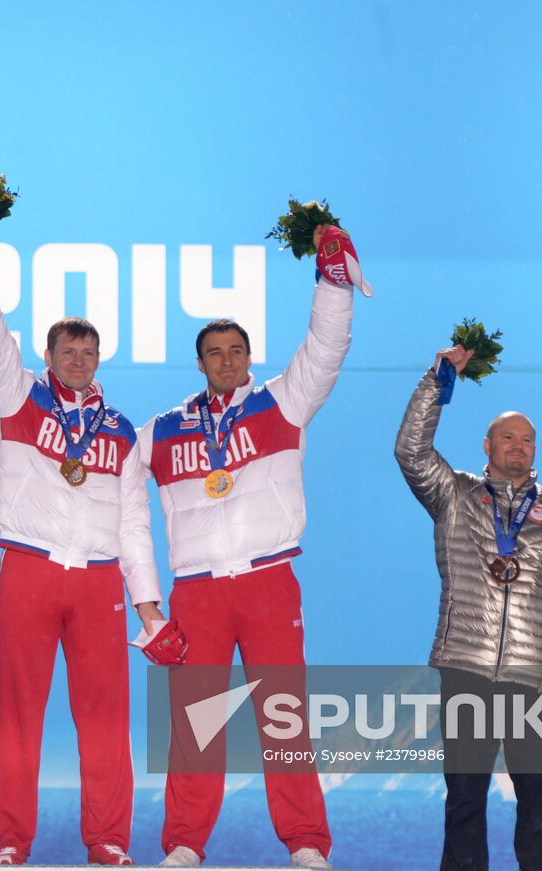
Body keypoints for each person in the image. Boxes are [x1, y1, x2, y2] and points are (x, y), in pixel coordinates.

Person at [0, 214, 162, 866]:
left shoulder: (121, 431)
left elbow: (134, 523)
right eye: (67, 351)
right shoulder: (15, 396)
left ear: (99, 359)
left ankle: (109, 840)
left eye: (88, 352)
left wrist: (150, 607)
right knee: (17, 714)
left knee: (106, 717)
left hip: (98, 579)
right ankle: (12, 842)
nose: (78, 361)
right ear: (47, 357)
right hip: (29, 567)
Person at [137, 224, 356, 869]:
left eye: (235, 350)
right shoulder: (161, 431)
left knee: (284, 718)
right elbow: (106, 496)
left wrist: (333, 281)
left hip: (268, 580)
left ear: (250, 357)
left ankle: (306, 842)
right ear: (199, 363)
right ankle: (184, 843)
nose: (226, 360)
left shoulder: (283, 403)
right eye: (214, 352)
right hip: (197, 590)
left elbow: (326, 348)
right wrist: (146, 605)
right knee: (196, 722)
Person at [394, 345, 542, 871]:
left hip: (537, 678)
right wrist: (438, 380)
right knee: (464, 801)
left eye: (527, 439)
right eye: (508, 437)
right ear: (487, 445)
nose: (518, 447)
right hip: (467, 669)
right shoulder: (455, 495)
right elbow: (411, 451)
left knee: (537, 806)